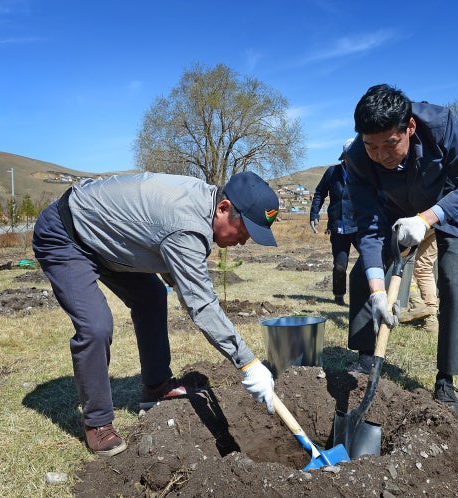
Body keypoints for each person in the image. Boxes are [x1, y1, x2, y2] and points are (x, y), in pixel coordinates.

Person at [32, 171, 278, 456]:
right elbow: (202, 304)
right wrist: (248, 363)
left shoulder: (202, 202)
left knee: (151, 295)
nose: (244, 242)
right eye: (244, 232)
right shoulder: (187, 225)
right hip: (67, 234)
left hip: (111, 241)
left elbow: (158, 240)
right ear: (223, 209)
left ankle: (156, 387)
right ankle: (97, 422)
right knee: (96, 326)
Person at [342, 84, 458, 412]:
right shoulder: (357, 158)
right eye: (371, 146)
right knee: (363, 273)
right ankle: (366, 359)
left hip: (451, 204)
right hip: (397, 208)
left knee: (454, 282)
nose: (381, 156)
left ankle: (446, 381)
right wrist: (377, 291)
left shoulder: (441, 125)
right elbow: (368, 227)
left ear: (409, 128)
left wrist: (427, 219)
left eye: (390, 145)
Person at [309, 139, 359, 306]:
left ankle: (370, 294)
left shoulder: (365, 173)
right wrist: (314, 213)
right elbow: (319, 193)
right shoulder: (332, 173)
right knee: (339, 266)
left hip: (360, 225)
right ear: (344, 157)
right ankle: (339, 297)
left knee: (371, 259)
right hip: (339, 227)